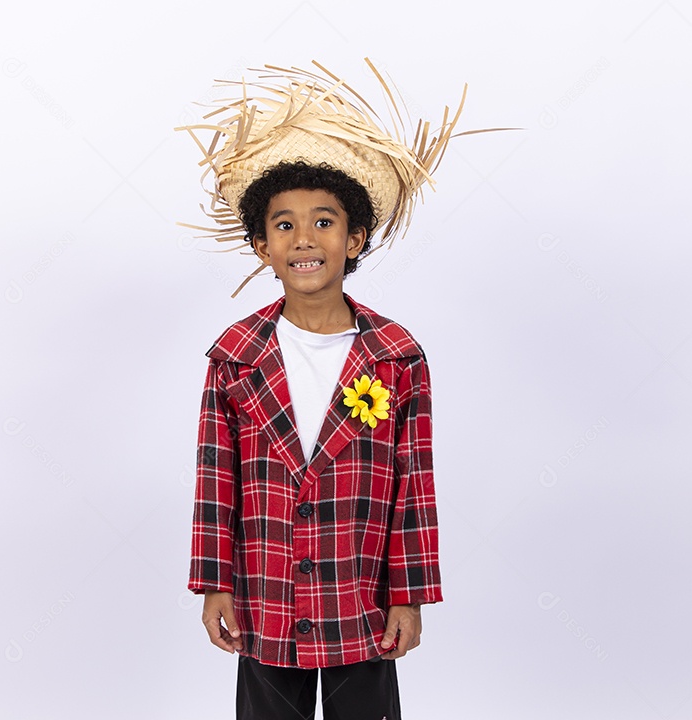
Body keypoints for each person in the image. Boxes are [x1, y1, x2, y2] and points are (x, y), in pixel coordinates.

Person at [178, 59, 501, 720]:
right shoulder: (235, 356)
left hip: (363, 599)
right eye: (285, 225)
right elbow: (216, 480)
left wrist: (407, 593)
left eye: (324, 223)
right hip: (268, 594)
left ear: (354, 239)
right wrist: (215, 583)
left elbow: (415, 483)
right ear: (263, 246)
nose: (305, 239)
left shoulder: (396, 355)